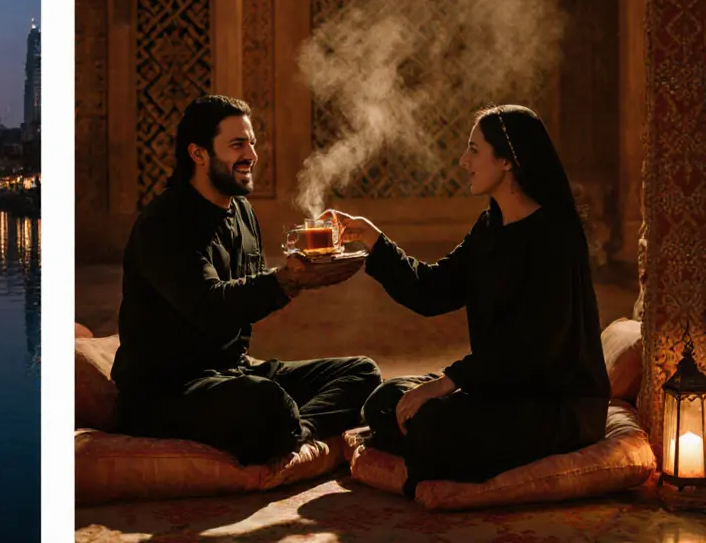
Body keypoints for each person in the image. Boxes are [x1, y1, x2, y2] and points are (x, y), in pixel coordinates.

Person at [323, 104, 610, 498]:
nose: (464, 161)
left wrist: (447, 383)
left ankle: (426, 452)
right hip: (498, 391)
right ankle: (428, 447)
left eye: (474, 150)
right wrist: (373, 239)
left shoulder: (555, 236)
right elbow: (430, 289)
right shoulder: (489, 228)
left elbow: (534, 348)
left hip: (554, 402)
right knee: (385, 403)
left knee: (434, 428)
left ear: (507, 160)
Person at [111, 95, 382, 466]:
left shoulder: (241, 212)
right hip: (168, 389)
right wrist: (285, 281)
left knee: (362, 372)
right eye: (238, 144)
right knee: (263, 400)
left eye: (252, 142)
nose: (252, 155)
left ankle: (293, 432)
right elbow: (209, 308)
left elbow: (248, 297)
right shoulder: (165, 223)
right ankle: (288, 427)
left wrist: (300, 276)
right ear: (198, 153)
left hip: (233, 372)